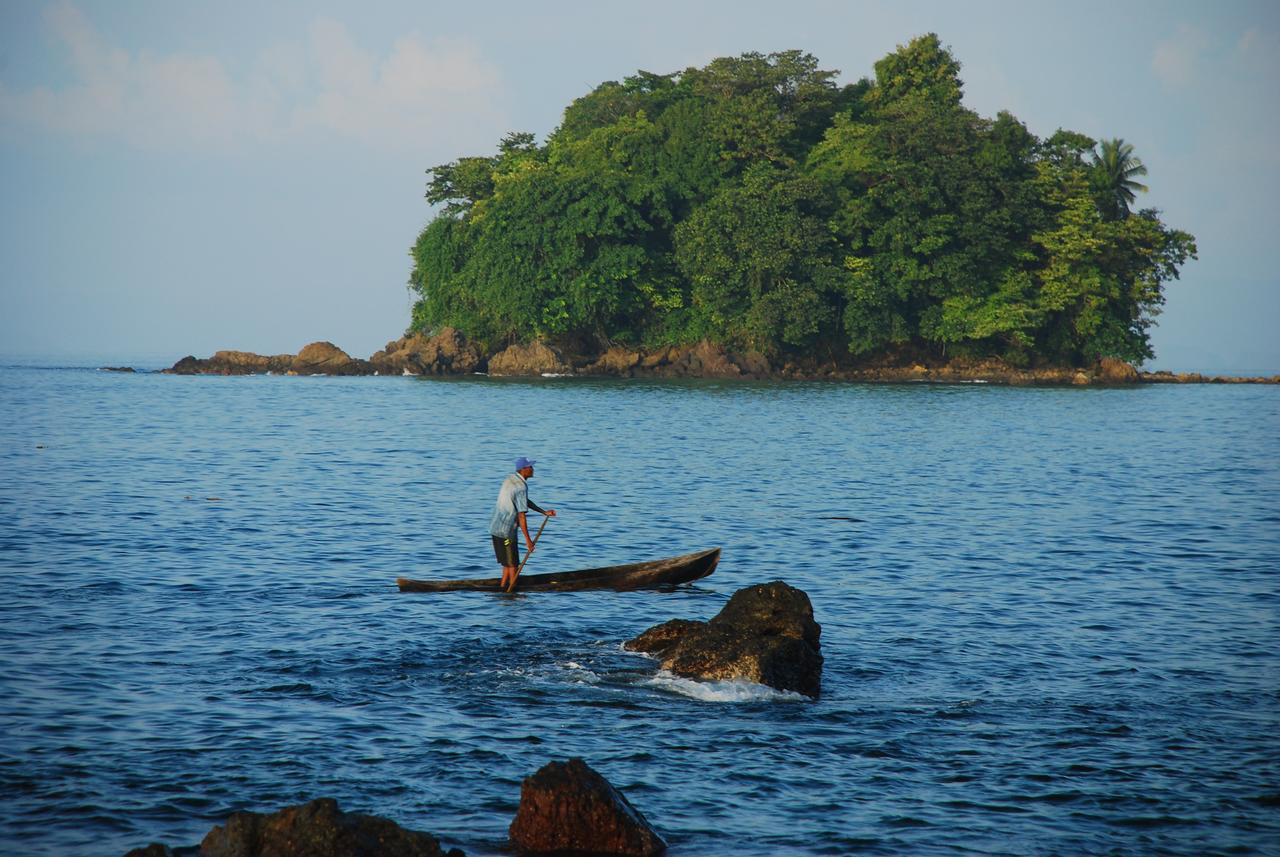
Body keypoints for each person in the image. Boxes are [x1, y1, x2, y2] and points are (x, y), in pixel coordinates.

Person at [489, 456, 556, 591]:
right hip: (506, 532)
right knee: (513, 564)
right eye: (530, 467)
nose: (533, 469)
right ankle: (512, 592)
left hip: (495, 528)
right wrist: (528, 541)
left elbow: (523, 501)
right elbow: (521, 516)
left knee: (507, 563)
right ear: (523, 470)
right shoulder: (520, 486)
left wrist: (543, 512)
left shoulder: (511, 479)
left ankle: (503, 589)